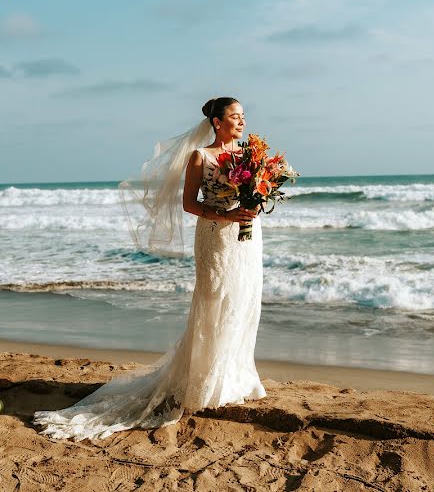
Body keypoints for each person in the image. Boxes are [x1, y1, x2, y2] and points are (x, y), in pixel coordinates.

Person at [32, 97, 266, 440]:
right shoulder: (201, 157)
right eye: (235, 116)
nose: (242, 121)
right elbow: (189, 204)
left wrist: (255, 202)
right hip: (216, 236)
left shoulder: (250, 155)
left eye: (244, 116)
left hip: (248, 237)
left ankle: (237, 376)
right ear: (217, 122)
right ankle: (207, 381)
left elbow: (258, 189)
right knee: (215, 301)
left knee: (243, 300)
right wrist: (226, 215)